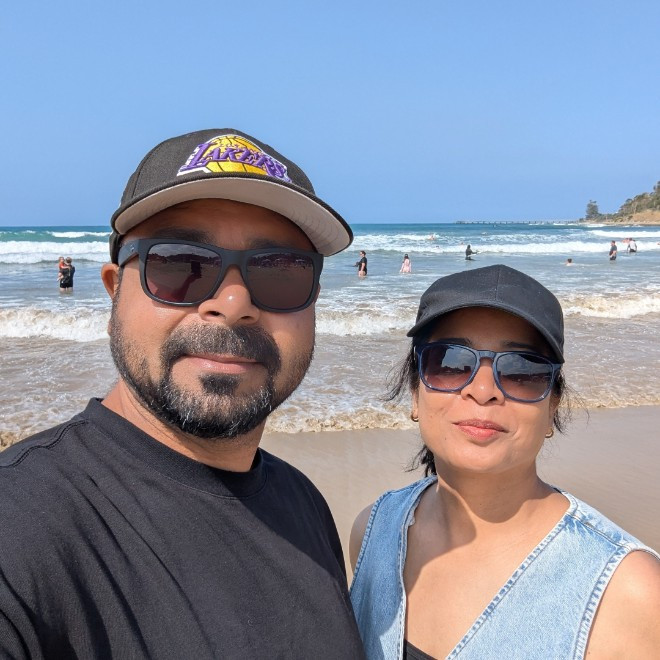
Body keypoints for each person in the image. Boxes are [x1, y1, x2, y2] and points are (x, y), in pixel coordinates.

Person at [0, 129, 365, 658]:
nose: (233, 304)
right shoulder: (19, 528)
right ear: (113, 292)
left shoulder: (304, 503)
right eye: (179, 264)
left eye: (281, 271)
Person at [349, 265, 660, 659]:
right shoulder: (374, 532)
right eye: (449, 363)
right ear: (415, 392)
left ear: (553, 407)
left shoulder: (629, 592)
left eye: (521, 370)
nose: (483, 391)